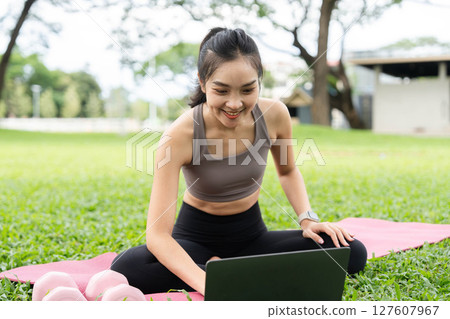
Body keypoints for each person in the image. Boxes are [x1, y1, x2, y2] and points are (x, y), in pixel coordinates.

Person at [111, 27, 367, 295]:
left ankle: (229, 268)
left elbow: (288, 171)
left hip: (251, 236)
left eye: (247, 90)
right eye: (221, 91)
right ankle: (226, 269)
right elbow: (158, 236)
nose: (234, 104)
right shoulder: (179, 135)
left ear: (259, 81)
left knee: (351, 251)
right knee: (126, 267)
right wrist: (204, 282)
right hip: (194, 237)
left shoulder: (275, 114)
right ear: (202, 83)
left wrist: (307, 220)